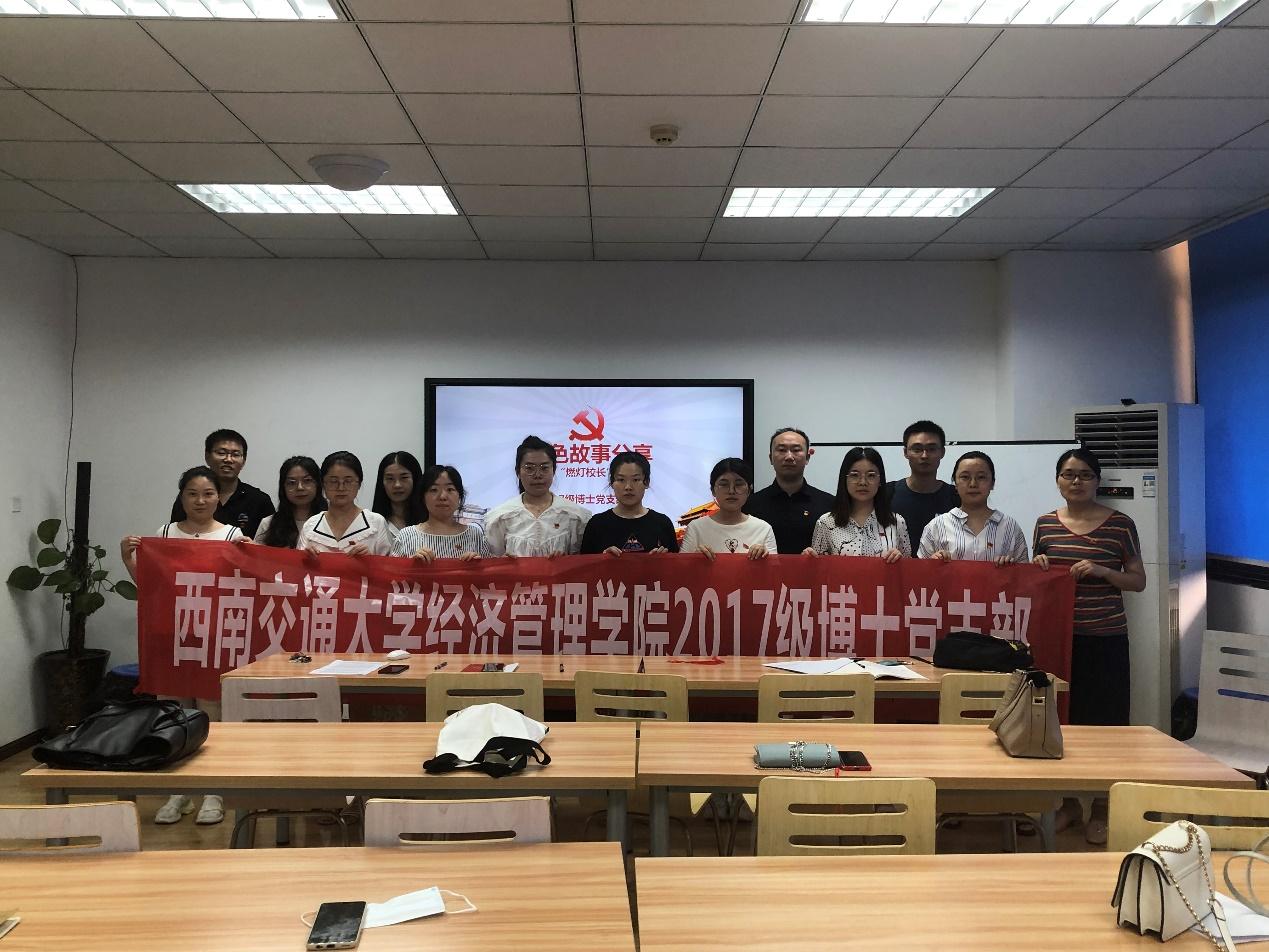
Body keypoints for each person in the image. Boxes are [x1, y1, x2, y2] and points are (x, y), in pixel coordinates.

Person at [120, 465, 250, 827]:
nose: (200, 501)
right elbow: (150, 587)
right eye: (192, 493)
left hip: (215, 638)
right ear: (181, 497)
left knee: (211, 714)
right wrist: (128, 559)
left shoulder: (232, 535)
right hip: (172, 638)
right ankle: (178, 792)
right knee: (172, 714)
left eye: (208, 494)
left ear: (218, 498)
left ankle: (214, 791)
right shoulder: (164, 534)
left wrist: (251, 554)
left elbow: (250, 586)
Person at [1032, 447, 1145, 845]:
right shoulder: (1045, 524)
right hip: (1059, 641)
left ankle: (1100, 807)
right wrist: (1039, 567)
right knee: (1061, 723)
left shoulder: (1120, 525)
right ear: (1058, 480)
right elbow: (1036, 577)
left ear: (1097, 481)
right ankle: (1065, 804)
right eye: (1068, 474)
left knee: (1107, 726)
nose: (1076, 481)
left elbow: (1138, 581)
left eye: (1084, 474)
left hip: (1105, 640)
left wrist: (1102, 571)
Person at [485, 435, 591, 557]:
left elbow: (585, 562)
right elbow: (492, 562)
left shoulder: (576, 516)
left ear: (554, 470)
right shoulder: (499, 517)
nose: (537, 475)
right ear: (518, 472)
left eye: (544, 468)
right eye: (529, 468)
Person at [918, 452, 1029, 565]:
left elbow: (1025, 573)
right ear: (955, 483)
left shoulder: (1010, 527)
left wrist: (1011, 567)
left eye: (981, 477)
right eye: (965, 477)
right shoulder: (937, 526)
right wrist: (932, 563)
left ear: (992, 483)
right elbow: (919, 571)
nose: (973, 484)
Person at [806, 447, 910, 562]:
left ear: (880, 480)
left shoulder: (897, 522)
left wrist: (901, 560)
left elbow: (909, 567)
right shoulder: (826, 522)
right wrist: (808, 558)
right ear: (844, 479)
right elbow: (818, 568)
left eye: (871, 475)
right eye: (855, 475)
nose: (863, 482)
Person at [744, 427, 835, 555]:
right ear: (770, 458)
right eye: (781, 450)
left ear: (807, 457)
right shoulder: (750, 505)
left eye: (796, 450)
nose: (789, 457)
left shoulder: (829, 505)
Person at [170, 428, 274, 538]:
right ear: (207, 456)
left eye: (235, 454)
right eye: (221, 453)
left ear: (244, 461)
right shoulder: (191, 498)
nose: (228, 459)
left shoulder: (259, 501)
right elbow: (176, 536)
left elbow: (270, 544)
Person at [580, 451, 679, 556]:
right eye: (621, 480)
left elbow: (676, 565)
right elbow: (584, 565)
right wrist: (603, 559)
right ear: (612, 482)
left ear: (647, 482)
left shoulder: (663, 523)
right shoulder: (596, 524)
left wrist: (664, 560)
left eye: (635, 480)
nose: (628, 487)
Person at [297, 451, 393, 555]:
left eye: (348, 481)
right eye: (334, 481)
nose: (341, 488)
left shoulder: (376, 523)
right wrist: (305, 558)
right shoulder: (311, 526)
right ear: (323, 484)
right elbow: (296, 564)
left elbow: (391, 564)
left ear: (359, 484)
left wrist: (371, 559)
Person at [885, 420, 959, 555]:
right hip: (896, 567)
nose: (924, 455)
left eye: (932, 449)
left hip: (943, 568)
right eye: (917, 449)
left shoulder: (956, 497)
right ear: (905, 452)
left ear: (942, 452)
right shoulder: (887, 493)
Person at [681, 458, 776, 560]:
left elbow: (774, 569)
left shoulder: (763, 529)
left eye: (738, 484)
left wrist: (765, 560)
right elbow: (680, 568)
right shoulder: (696, 528)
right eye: (724, 484)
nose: (731, 491)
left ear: (749, 490)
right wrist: (693, 559)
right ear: (713, 490)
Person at [391, 465, 491, 561]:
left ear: (459, 496)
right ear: (423, 497)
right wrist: (411, 565)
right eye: (434, 490)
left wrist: (478, 566)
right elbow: (391, 571)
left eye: (450, 489)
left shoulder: (475, 536)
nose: (442, 496)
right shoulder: (406, 536)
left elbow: (491, 571)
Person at [255, 456, 327, 549]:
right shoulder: (268, 524)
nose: (300, 487)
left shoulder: (331, 522)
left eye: (307, 481)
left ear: (318, 484)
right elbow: (257, 556)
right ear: (283, 487)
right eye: (292, 483)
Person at [371, 450, 425, 543]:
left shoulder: (430, 520)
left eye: (404, 478)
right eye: (390, 479)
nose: (397, 485)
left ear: (415, 479)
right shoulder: (373, 523)